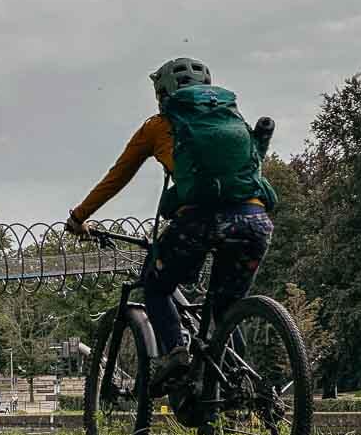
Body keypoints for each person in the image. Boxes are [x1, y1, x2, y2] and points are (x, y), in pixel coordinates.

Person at [65, 58, 277, 396]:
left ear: (162, 93)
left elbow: (116, 177)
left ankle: (176, 353)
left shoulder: (157, 125)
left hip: (198, 223)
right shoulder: (232, 119)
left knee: (156, 285)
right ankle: (242, 384)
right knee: (227, 306)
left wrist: (78, 218)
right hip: (255, 222)